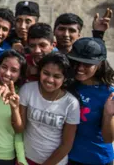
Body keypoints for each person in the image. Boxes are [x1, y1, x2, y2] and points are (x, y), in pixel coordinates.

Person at [15, 52, 80, 164]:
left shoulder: (71, 104)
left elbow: (67, 145)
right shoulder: (27, 90)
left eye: (57, 76)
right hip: (26, 159)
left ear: (64, 78)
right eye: (46, 73)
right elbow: (21, 128)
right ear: (40, 72)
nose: (50, 80)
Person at [67, 37, 114, 165]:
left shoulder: (109, 94)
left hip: (98, 159)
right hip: (68, 157)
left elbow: (108, 138)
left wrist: (108, 115)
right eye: (76, 62)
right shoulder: (68, 84)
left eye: (87, 64)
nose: (80, 68)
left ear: (99, 64)